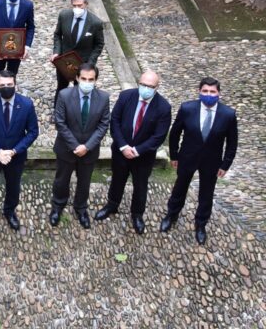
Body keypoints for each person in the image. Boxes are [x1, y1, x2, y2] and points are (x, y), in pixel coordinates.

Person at [159, 77, 238, 245]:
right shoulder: (187, 108)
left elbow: (232, 142)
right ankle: (171, 215)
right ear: (199, 92)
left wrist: (226, 164)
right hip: (187, 158)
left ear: (219, 93)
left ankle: (201, 224)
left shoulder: (228, 114)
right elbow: (175, 133)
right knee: (179, 188)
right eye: (205, 91)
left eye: (212, 92)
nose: (208, 94)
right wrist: (174, 155)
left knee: (206, 194)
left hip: (212, 161)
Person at [94, 70, 171, 234]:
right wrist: (123, 146)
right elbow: (114, 121)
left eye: (150, 86)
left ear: (156, 87)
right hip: (121, 151)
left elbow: (159, 136)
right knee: (117, 180)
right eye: (143, 84)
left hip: (143, 157)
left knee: (140, 186)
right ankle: (112, 205)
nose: (145, 88)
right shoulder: (126, 96)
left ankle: (137, 214)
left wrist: (137, 150)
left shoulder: (164, 107)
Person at [0, 71, 39, 231]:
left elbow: (32, 132)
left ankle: (10, 211)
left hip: (15, 157)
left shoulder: (26, 105)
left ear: (15, 84)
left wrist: (14, 151)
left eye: (9, 85)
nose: (6, 88)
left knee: (13, 186)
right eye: (2, 85)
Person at [49, 63, 110, 229]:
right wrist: (75, 145)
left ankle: (81, 208)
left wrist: (87, 146)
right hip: (66, 148)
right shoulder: (64, 95)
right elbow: (60, 123)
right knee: (61, 180)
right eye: (83, 78)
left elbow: (104, 125)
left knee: (85, 182)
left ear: (96, 80)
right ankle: (58, 206)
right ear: (77, 78)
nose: (87, 82)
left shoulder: (103, 98)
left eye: (91, 79)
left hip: (89, 151)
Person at [51, 0, 105, 108]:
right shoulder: (64, 15)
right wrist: (56, 52)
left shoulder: (95, 23)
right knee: (61, 87)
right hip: (64, 61)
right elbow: (57, 35)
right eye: (74, 5)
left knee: (81, 90)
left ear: (86, 4)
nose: (77, 8)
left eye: (79, 5)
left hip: (83, 63)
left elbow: (99, 44)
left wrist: (90, 64)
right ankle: (57, 112)